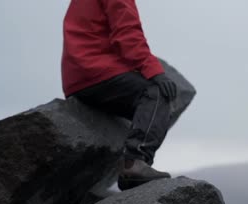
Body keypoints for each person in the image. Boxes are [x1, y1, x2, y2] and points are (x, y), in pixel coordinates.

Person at [61, 0, 177, 190]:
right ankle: (135, 163)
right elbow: (127, 33)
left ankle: (130, 174)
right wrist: (154, 71)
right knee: (156, 93)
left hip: (78, 76)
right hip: (96, 71)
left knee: (147, 101)